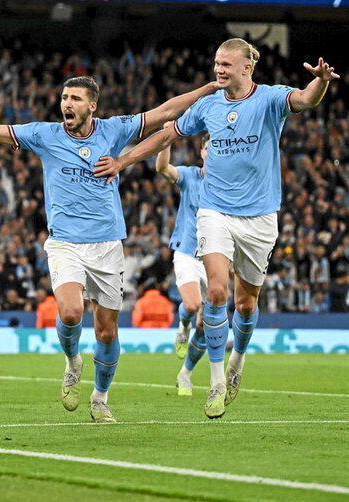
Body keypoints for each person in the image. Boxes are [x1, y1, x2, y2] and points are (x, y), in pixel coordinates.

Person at [0, 76, 218, 422]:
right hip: (65, 242)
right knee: (69, 313)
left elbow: (164, 112)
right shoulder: (45, 134)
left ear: (91, 106)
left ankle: (100, 397)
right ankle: (72, 362)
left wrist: (206, 90)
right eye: (64, 97)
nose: (67, 103)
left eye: (76, 98)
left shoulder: (113, 130)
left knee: (107, 331)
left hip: (108, 244)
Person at [94, 39, 338, 418]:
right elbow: (167, 134)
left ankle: (237, 361)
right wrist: (123, 161)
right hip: (216, 212)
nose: (218, 69)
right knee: (218, 291)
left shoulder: (270, 99)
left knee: (246, 302)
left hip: (260, 218)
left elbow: (306, 99)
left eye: (226, 64)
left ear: (246, 68)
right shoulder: (207, 106)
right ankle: (216, 381)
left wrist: (321, 81)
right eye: (215, 63)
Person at [155, 133, 209, 396]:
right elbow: (162, 169)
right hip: (187, 253)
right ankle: (183, 326)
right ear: (202, 152)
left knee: (207, 325)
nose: (213, 152)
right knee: (192, 304)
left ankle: (185, 374)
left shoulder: (229, 184)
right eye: (209, 148)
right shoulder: (190, 176)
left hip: (215, 259)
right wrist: (166, 140)